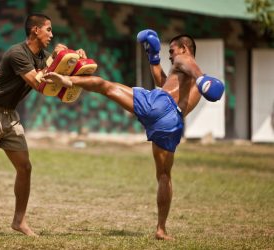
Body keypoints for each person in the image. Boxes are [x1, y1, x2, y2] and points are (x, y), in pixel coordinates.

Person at [41, 30, 224, 240]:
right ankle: (161, 229)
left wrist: (202, 78)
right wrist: (153, 58)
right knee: (164, 176)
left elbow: (188, 64)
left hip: (158, 104)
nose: (171, 56)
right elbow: (163, 82)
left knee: (106, 87)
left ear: (184, 48)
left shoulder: (185, 59)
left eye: (171, 51)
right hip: (171, 121)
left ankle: (68, 80)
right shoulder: (189, 80)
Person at [0, 13, 85, 236]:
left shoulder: (42, 56)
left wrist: (74, 58)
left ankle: (19, 222)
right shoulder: (17, 53)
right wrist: (58, 58)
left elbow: (59, 74)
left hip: (10, 115)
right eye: (48, 29)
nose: (51, 34)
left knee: (25, 167)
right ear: (35, 31)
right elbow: (37, 82)